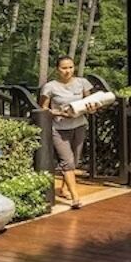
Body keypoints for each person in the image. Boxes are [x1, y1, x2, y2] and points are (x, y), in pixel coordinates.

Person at [39, 55, 92, 208]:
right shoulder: (50, 87)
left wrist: (92, 108)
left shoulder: (83, 83)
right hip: (59, 128)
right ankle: (75, 198)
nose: (67, 71)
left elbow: (90, 103)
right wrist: (59, 113)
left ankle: (63, 188)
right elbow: (42, 109)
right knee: (67, 162)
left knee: (74, 161)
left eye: (70, 67)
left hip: (79, 125)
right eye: (64, 68)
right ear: (57, 69)